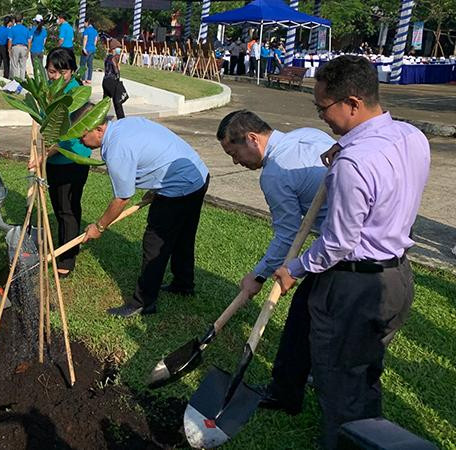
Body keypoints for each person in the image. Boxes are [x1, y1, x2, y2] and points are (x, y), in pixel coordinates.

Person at [271, 55, 430, 449]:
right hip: (396, 280)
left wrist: (295, 267)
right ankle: (369, 433)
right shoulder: (412, 137)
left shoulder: (354, 165)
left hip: (352, 287)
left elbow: (337, 244)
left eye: (323, 107)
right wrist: (341, 149)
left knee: (340, 381)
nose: (320, 116)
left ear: (353, 103)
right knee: (365, 369)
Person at [77, 107, 210, 317]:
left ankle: (143, 302)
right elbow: (154, 153)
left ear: (100, 129)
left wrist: (99, 226)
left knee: (154, 243)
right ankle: (183, 284)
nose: (80, 141)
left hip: (180, 186)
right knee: (183, 234)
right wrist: (157, 188)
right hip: (198, 175)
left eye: (82, 135)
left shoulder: (117, 148)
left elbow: (122, 198)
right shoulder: (123, 125)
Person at [216, 110, 334, 300]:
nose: (235, 161)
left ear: (253, 138)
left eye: (234, 153)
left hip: (346, 251)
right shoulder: (309, 133)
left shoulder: (275, 174)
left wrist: (258, 275)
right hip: (380, 241)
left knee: (308, 311)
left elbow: (288, 233)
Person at [29, 47, 92, 278]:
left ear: (72, 71)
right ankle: (70, 244)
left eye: (61, 72)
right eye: (51, 71)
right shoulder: (51, 93)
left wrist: (42, 157)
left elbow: (67, 138)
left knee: (67, 209)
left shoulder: (76, 96)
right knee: (62, 207)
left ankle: (66, 258)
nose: (55, 76)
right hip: (55, 161)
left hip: (72, 160)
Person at [103, 38, 126, 119]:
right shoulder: (113, 58)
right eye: (118, 49)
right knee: (117, 102)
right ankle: (122, 119)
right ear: (114, 49)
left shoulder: (107, 57)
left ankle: (101, 117)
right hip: (112, 81)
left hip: (105, 81)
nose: (119, 51)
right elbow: (116, 70)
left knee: (105, 101)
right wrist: (118, 68)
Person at [9, 14, 30, 79]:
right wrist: (28, 50)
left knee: (15, 66)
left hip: (15, 47)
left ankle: (15, 81)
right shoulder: (26, 29)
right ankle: (22, 81)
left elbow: (10, 40)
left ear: (14, 21)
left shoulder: (12, 29)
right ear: (22, 21)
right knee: (23, 66)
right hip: (24, 48)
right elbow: (29, 41)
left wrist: (9, 49)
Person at [80, 18, 98, 84]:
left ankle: (83, 79)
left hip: (87, 49)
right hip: (92, 49)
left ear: (87, 22)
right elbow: (96, 40)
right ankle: (89, 79)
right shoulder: (95, 31)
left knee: (82, 64)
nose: (84, 24)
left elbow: (85, 38)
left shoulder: (86, 30)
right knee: (90, 64)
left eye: (84, 22)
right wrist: (94, 47)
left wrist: (84, 48)